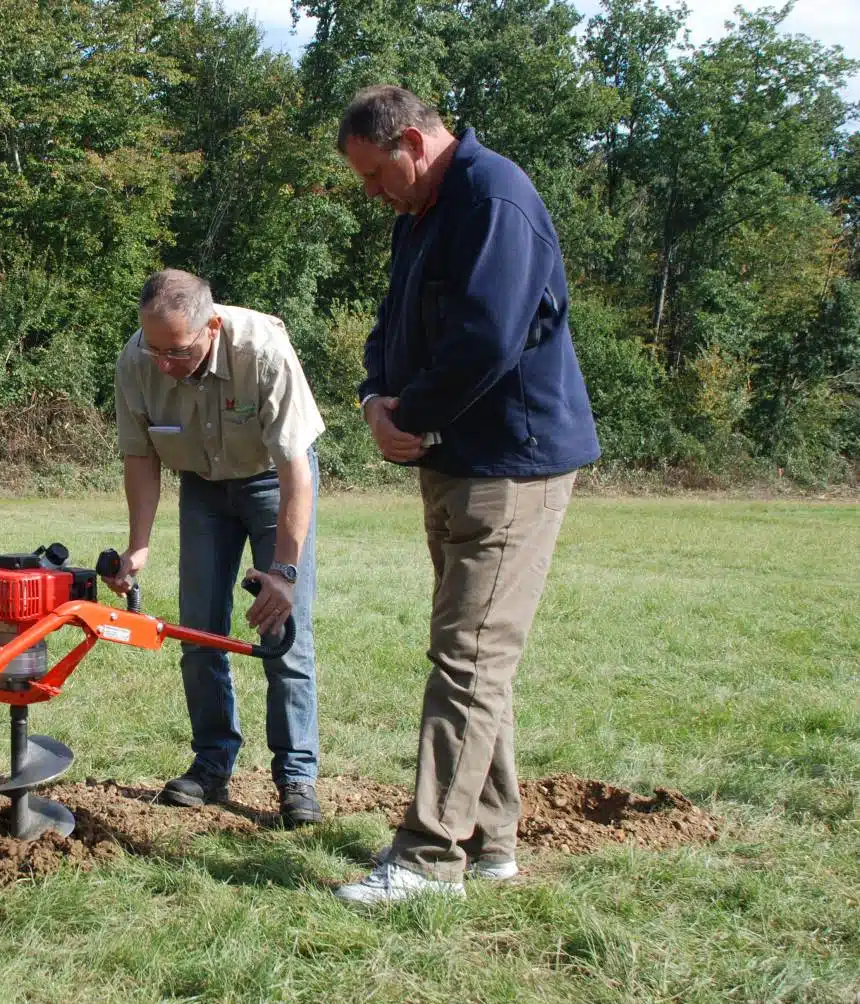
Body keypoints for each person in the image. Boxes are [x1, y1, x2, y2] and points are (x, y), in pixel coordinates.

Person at [331, 86, 601, 903]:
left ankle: (427, 858)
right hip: (452, 461)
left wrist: (406, 414)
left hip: (509, 467)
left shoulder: (495, 199)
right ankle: (490, 841)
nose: (375, 194)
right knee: (476, 657)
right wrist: (376, 400)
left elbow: (488, 336)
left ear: (413, 140)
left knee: (469, 656)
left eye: (378, 175)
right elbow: (391, 324)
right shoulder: (422, 212)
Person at [107, 269, 326, 828]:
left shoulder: (263, 351)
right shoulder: (138, 359)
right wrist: (139, 547)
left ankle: (296, 777)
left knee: (283, 634)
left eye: (175, 352)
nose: (162, 364)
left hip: (272, 482)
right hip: (203, 489)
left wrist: (284, 569)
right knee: (199, 634)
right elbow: (141, 457)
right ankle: (211, 765)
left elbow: (295, 469)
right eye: (153, 348)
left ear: (212, 325)